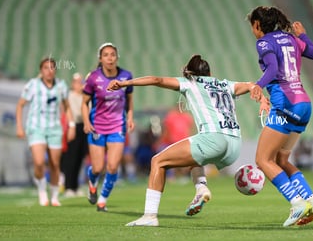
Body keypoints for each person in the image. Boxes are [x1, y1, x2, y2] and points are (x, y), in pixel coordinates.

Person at [107, 54, 261, 226]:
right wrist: (263, 100)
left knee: (157, 161)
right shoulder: (225, 84)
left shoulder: (190, 83)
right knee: (196, 156)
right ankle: (201, 188)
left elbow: (156, 79)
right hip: (234, 145)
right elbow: (251, 85)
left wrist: (125, 83)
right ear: (209, 73)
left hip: (213, 138)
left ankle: (149, 216)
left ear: (191, 74)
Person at [247, 6, 313, 227]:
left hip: (285, 105)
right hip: (304, 105)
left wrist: (258, 86)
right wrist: (303, 35)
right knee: (281, 160)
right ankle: (311, 200)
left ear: (257, 25)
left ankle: (297, 203)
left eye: (252, 26)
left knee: (263, 160)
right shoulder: (291, 39)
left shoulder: (264, 42)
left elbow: (272, 68)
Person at [82, 42, 135, 212]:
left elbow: (130, 100)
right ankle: (92, 182)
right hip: (97, 127)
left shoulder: (126, 76)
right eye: (106, 55)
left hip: (117, 126)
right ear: (100, 58)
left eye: (112, 54)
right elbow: (84, 103)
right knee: (97, 168)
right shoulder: (93, 78)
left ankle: (102, 200)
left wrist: (130, 118)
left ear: (117, 57)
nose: (110, 58)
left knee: (112, 166)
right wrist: (86, 121)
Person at [16, 57, 75, 206]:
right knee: (39, 162)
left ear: (55, 70)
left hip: (55, 129)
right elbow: (20, 105)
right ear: (40, 70)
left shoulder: (61, 86)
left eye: (51, 67)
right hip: (36, 128)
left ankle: (54, 196)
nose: (49, 71)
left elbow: (67, 107)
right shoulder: (33, 85)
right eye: (45, 68)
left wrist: (72, 125)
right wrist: (19, 126)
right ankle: (42, 190)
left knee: (55, 164)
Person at [61, 73, 89, 197]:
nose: (79, 84)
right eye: (77, 82)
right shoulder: (70, 96)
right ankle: (68, 186)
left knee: (80, 157)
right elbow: (72, 113)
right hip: (73, 126)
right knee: (71, 158)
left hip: (83, 127)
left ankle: (75, 185)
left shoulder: (84, 96)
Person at [156, 104, 195, 182]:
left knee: (184, 160)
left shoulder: (187, 117)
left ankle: (183, 176)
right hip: (173, 142)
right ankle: (171, 176)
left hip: (183, 141)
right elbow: (167, 130)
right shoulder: (171, 116)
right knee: (172, 160)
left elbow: (190, 130)